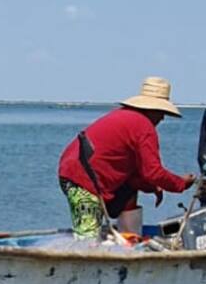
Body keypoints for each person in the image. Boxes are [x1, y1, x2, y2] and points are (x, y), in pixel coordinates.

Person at [57, 77, 196, 238]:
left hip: (71, 171)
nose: (162, 118)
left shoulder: (123, 116)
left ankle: (128, 237)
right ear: (152, 109)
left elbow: (138, 172)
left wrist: (152, 186)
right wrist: (180, 183)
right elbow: (154, 172)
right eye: (161, 113)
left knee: (130, 188)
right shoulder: (144, 127)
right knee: (87, 239)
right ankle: (99, 245)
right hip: (81, 179)